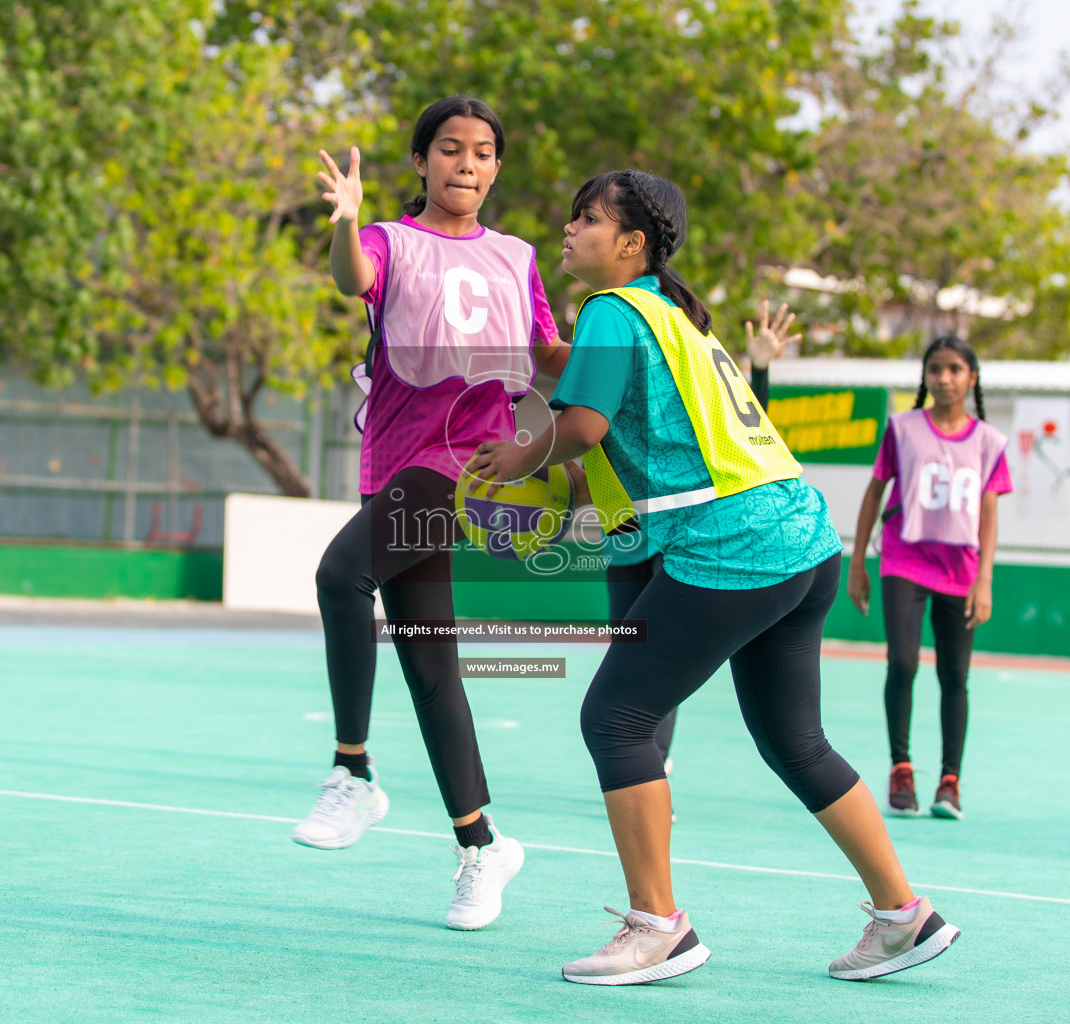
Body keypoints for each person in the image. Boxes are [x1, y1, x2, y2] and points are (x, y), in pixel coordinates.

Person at [467, 170, 959, 985]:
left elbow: (583, 422)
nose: (568, 230)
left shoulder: (614, 312)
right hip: (802, 537)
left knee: (616, 717)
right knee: (796, 742)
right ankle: (903, 915)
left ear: (630, 244)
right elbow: (578, 375)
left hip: (732, 543)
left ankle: (659, 927)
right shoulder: (669, 317)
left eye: (585, 220)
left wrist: (522, 456)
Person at [292, 96, 569, 932]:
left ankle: (352, 773)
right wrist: (344, 221)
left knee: (341, 575)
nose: (468, 166)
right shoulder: (388, 239)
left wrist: (632, 338)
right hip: (395, 461)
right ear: (421, 162)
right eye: (451, 150)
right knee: (431, 668)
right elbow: (354, 280)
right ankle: (483, 847)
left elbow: (550, 356)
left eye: (484, 153)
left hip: (462, 463)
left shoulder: (517, 258)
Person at [602, 300, 798, 786]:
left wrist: (760, 368)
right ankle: (645, 756)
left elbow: (745, 432)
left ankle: (652, 759)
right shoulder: (603, 360)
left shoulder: (676, 365)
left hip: (680, 526)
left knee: (654, 655)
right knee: (629, 651)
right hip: (624, 525)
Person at [847, 337, 1010, 820]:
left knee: (954, 676)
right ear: (925, 377)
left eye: (955, 369)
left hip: (960, 572)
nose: (944, 378)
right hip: (903, 561)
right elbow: (874, 494)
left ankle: (950, 782)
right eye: (935, 369)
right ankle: (901, 768)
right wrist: (857, 562)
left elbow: (989, 515)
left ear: (971, 378)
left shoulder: (989, 442)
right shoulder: (902, 430)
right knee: (902, 663)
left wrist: (985, 581)